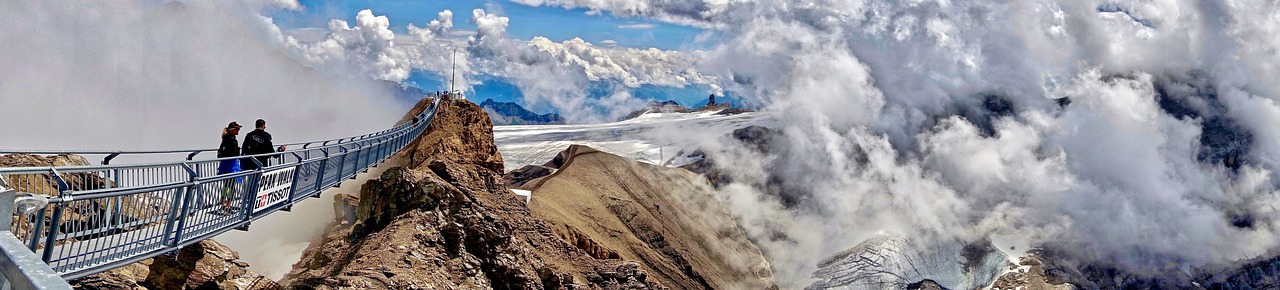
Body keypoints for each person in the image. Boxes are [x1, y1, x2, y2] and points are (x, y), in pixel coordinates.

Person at [217, 121, 243, 214]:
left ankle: (222, 204)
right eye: (237, 129)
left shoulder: (224, 139)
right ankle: (228, 206)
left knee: (225, 186)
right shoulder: (233, 140)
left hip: (224, 166)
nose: (238, 131)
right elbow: (235, 154)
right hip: (232, 167)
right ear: (232, 130)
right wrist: (238, 148)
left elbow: (219, 153)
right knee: (232, 187)